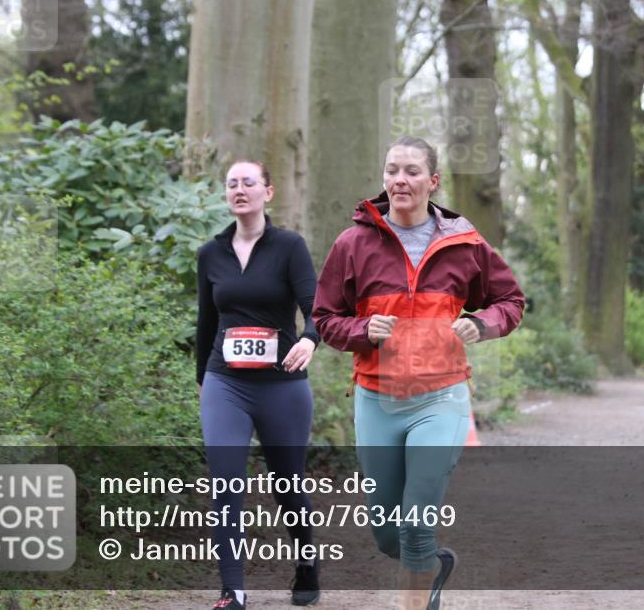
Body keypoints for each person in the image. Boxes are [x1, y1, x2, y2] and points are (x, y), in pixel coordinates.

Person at [313, 136, 525, 610]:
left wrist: (480, 322)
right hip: (376, 398)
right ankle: (430, 562)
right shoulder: (353, 244)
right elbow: (325, 317)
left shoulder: (464, 244)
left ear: (433, 181)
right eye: (392, 170)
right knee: (388, 534)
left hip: (441, 397)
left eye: (411, 171)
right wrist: (364, 329)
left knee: (415, 520)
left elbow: (511, 302)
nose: (399, 180)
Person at [196, 160, 321, 610]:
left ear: (268, 192)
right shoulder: (211, 253)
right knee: (225, 484)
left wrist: (309, 340)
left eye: (249, 182)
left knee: (287, 484)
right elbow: (205, 323)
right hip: (224, 382)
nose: (239, 189)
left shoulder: (289, 246)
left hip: (282, 383)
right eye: (232, 184)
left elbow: (315, 308)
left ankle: (307, 563)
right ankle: (233, 591)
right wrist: (202, 385)